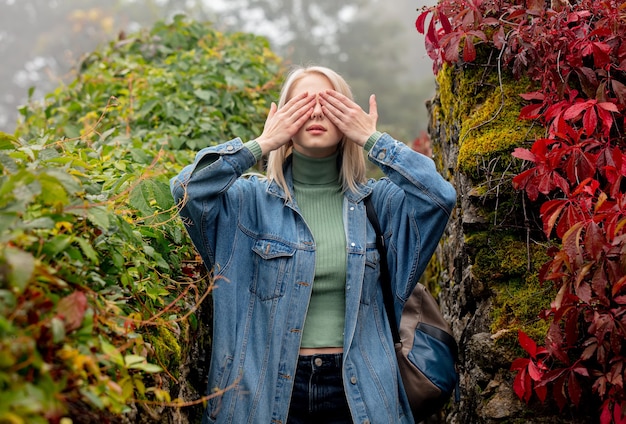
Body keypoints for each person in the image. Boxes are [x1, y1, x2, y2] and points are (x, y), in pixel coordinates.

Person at [170, 65, 456, 424]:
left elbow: (440, 198)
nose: (317, 112)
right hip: (263, 395)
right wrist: (260, 144)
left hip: (361, 394)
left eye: (329, 102)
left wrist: (373, 140)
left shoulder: (379, 204)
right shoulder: (246, 203)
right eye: (303, 103)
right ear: (282, 118)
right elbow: (185, 191)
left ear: (347, 117)